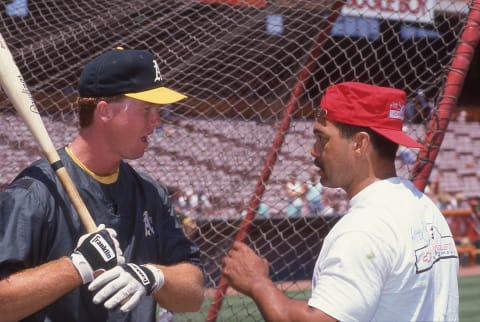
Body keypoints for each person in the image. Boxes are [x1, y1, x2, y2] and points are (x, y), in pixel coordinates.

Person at [221, 82, 459, 321]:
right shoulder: (424, 206)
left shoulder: (364, 228)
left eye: (322, 138)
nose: (314, 151)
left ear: (359, 143)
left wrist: (257, 283)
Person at [0, 48, 204, 322]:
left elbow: (193, 294)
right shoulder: (34, 194)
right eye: (147, 109)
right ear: (105, 111)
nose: (158, 121)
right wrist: (75, 266)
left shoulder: (150, 192)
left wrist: (153, 276)